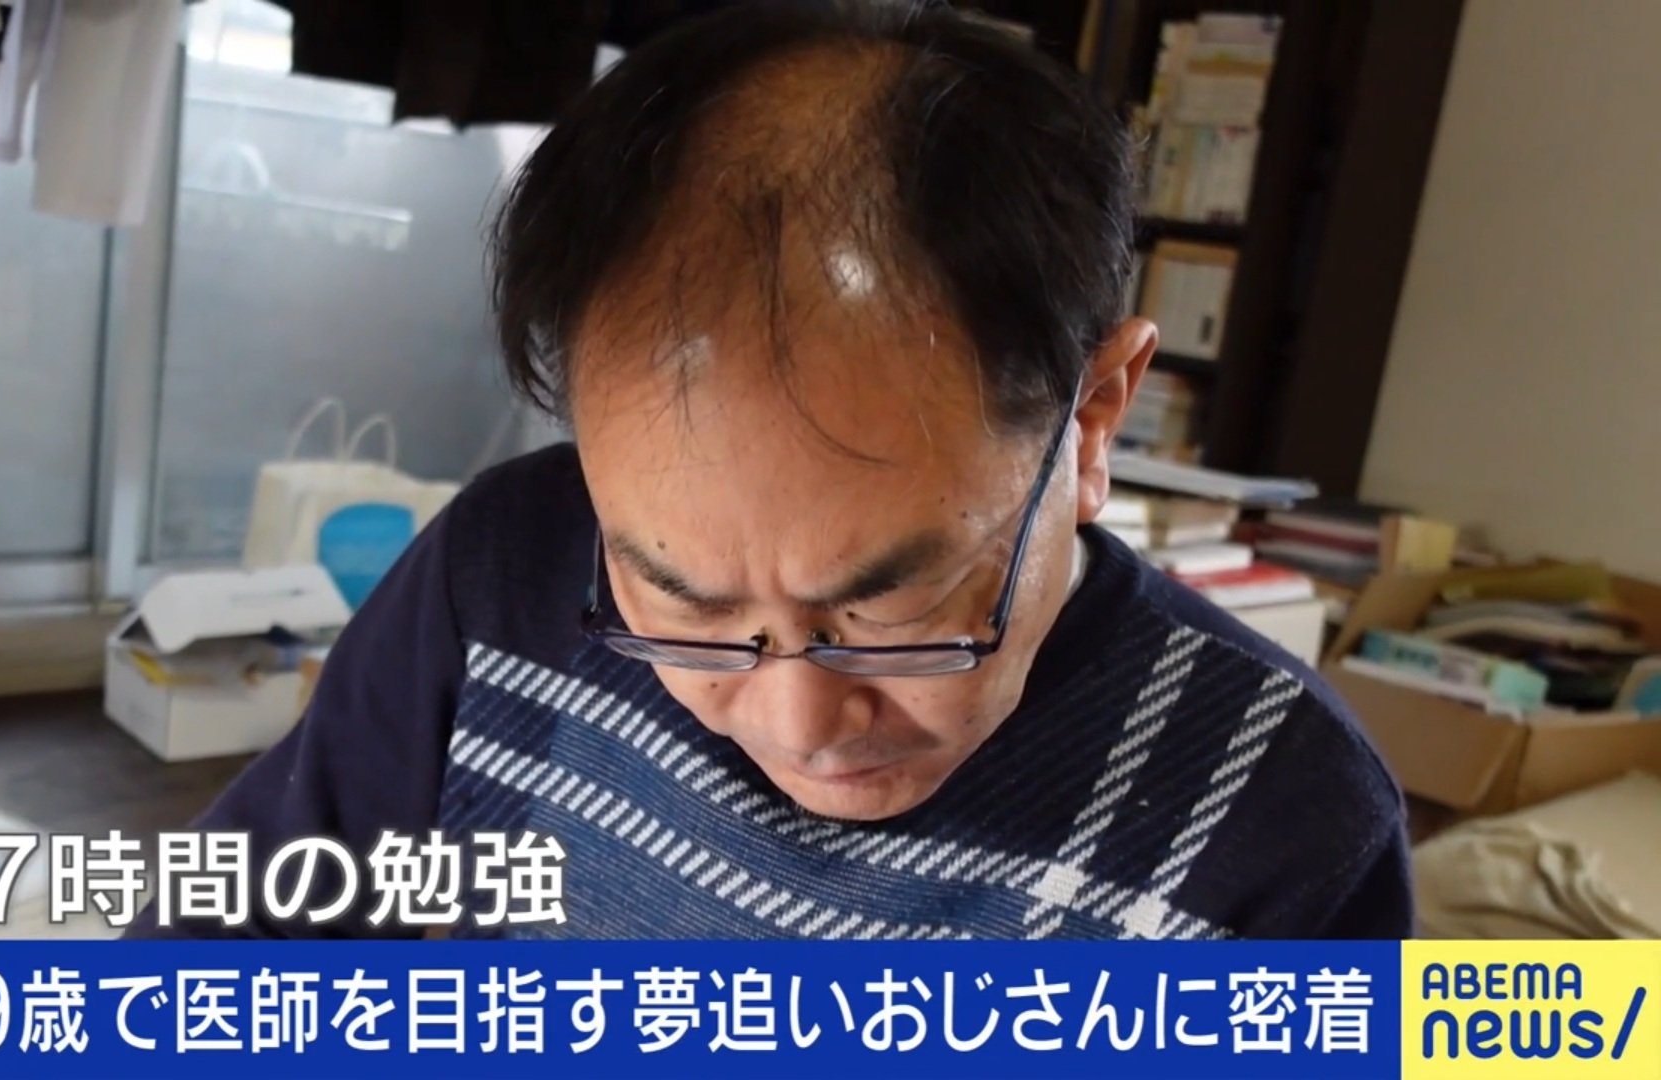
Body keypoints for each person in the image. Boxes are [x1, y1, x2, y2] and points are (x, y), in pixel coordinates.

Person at [137, 0, 1411, 941]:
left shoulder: (1274, 816)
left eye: (889, 608)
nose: (797, 724)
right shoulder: (508, 572)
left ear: (1091, 421)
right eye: (684, 605)